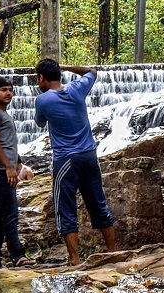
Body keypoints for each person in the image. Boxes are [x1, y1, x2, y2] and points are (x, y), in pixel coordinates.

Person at [34, 58, 116, 266]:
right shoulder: (77, 88)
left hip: (65, 160)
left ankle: (75, 261)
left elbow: (40, 122)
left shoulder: (42, 100)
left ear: (42, 78)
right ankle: (113, 253)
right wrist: (66, 67)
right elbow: (92, 70)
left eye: (38, 78)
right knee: (98, 203)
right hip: (89, 155)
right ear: (59, 73)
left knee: (66, 208)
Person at [0, 76, 34, 268]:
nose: (8, 93)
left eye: (10, 89)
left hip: (0, 170)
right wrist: (8, 168)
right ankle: (18, 255)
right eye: (3, 90)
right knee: (10, 214)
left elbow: (7, 143)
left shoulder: (3, 114)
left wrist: (17, 162)